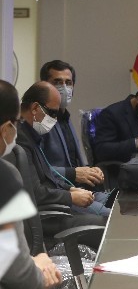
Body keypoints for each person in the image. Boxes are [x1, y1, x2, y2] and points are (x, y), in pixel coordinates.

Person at [0, 79, 72, 289]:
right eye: (16, 123)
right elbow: (18, 273)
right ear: (6, 128)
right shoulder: (5, 177)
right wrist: (40, 268)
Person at [16, 82, 108, 240]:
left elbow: (47, 176)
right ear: (35, 108)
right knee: (108, 222)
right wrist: (70, 197)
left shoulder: (32, 136)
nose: (54, 119)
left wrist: (71, 189)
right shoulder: (21, 141)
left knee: (110, 209)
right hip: (47, 216)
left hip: (55, 203)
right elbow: (35, 192)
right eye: (52, 113)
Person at [40, 60, 105, 189]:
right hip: (57, 192)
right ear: (44, 85)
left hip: (78, 188)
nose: (64, 87)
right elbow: (35, 168)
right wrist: (73, 173)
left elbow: (73, 162)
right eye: (57, 82)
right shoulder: (39, 120)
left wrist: (90, 170)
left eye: (68, 83)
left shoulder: (66, 118)